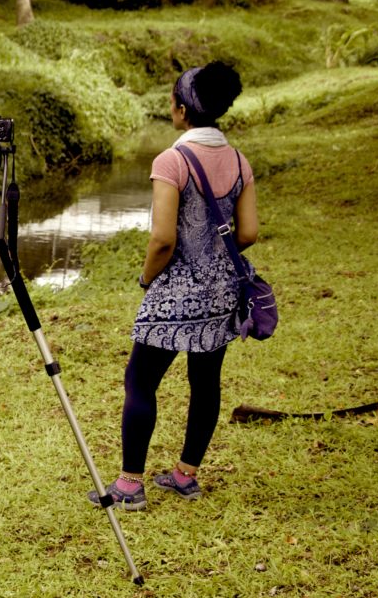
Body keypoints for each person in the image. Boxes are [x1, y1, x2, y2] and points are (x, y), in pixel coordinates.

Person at [88, 61, 258, 511]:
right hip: (222, 293)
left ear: (181, 110)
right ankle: (186, 476)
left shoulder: (173, 160)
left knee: (141, 381)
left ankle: (129, 486)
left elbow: (162, 239)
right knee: (206, 382)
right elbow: (248, 233)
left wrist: (147, 278)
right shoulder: (239, 160)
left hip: (174, 292)